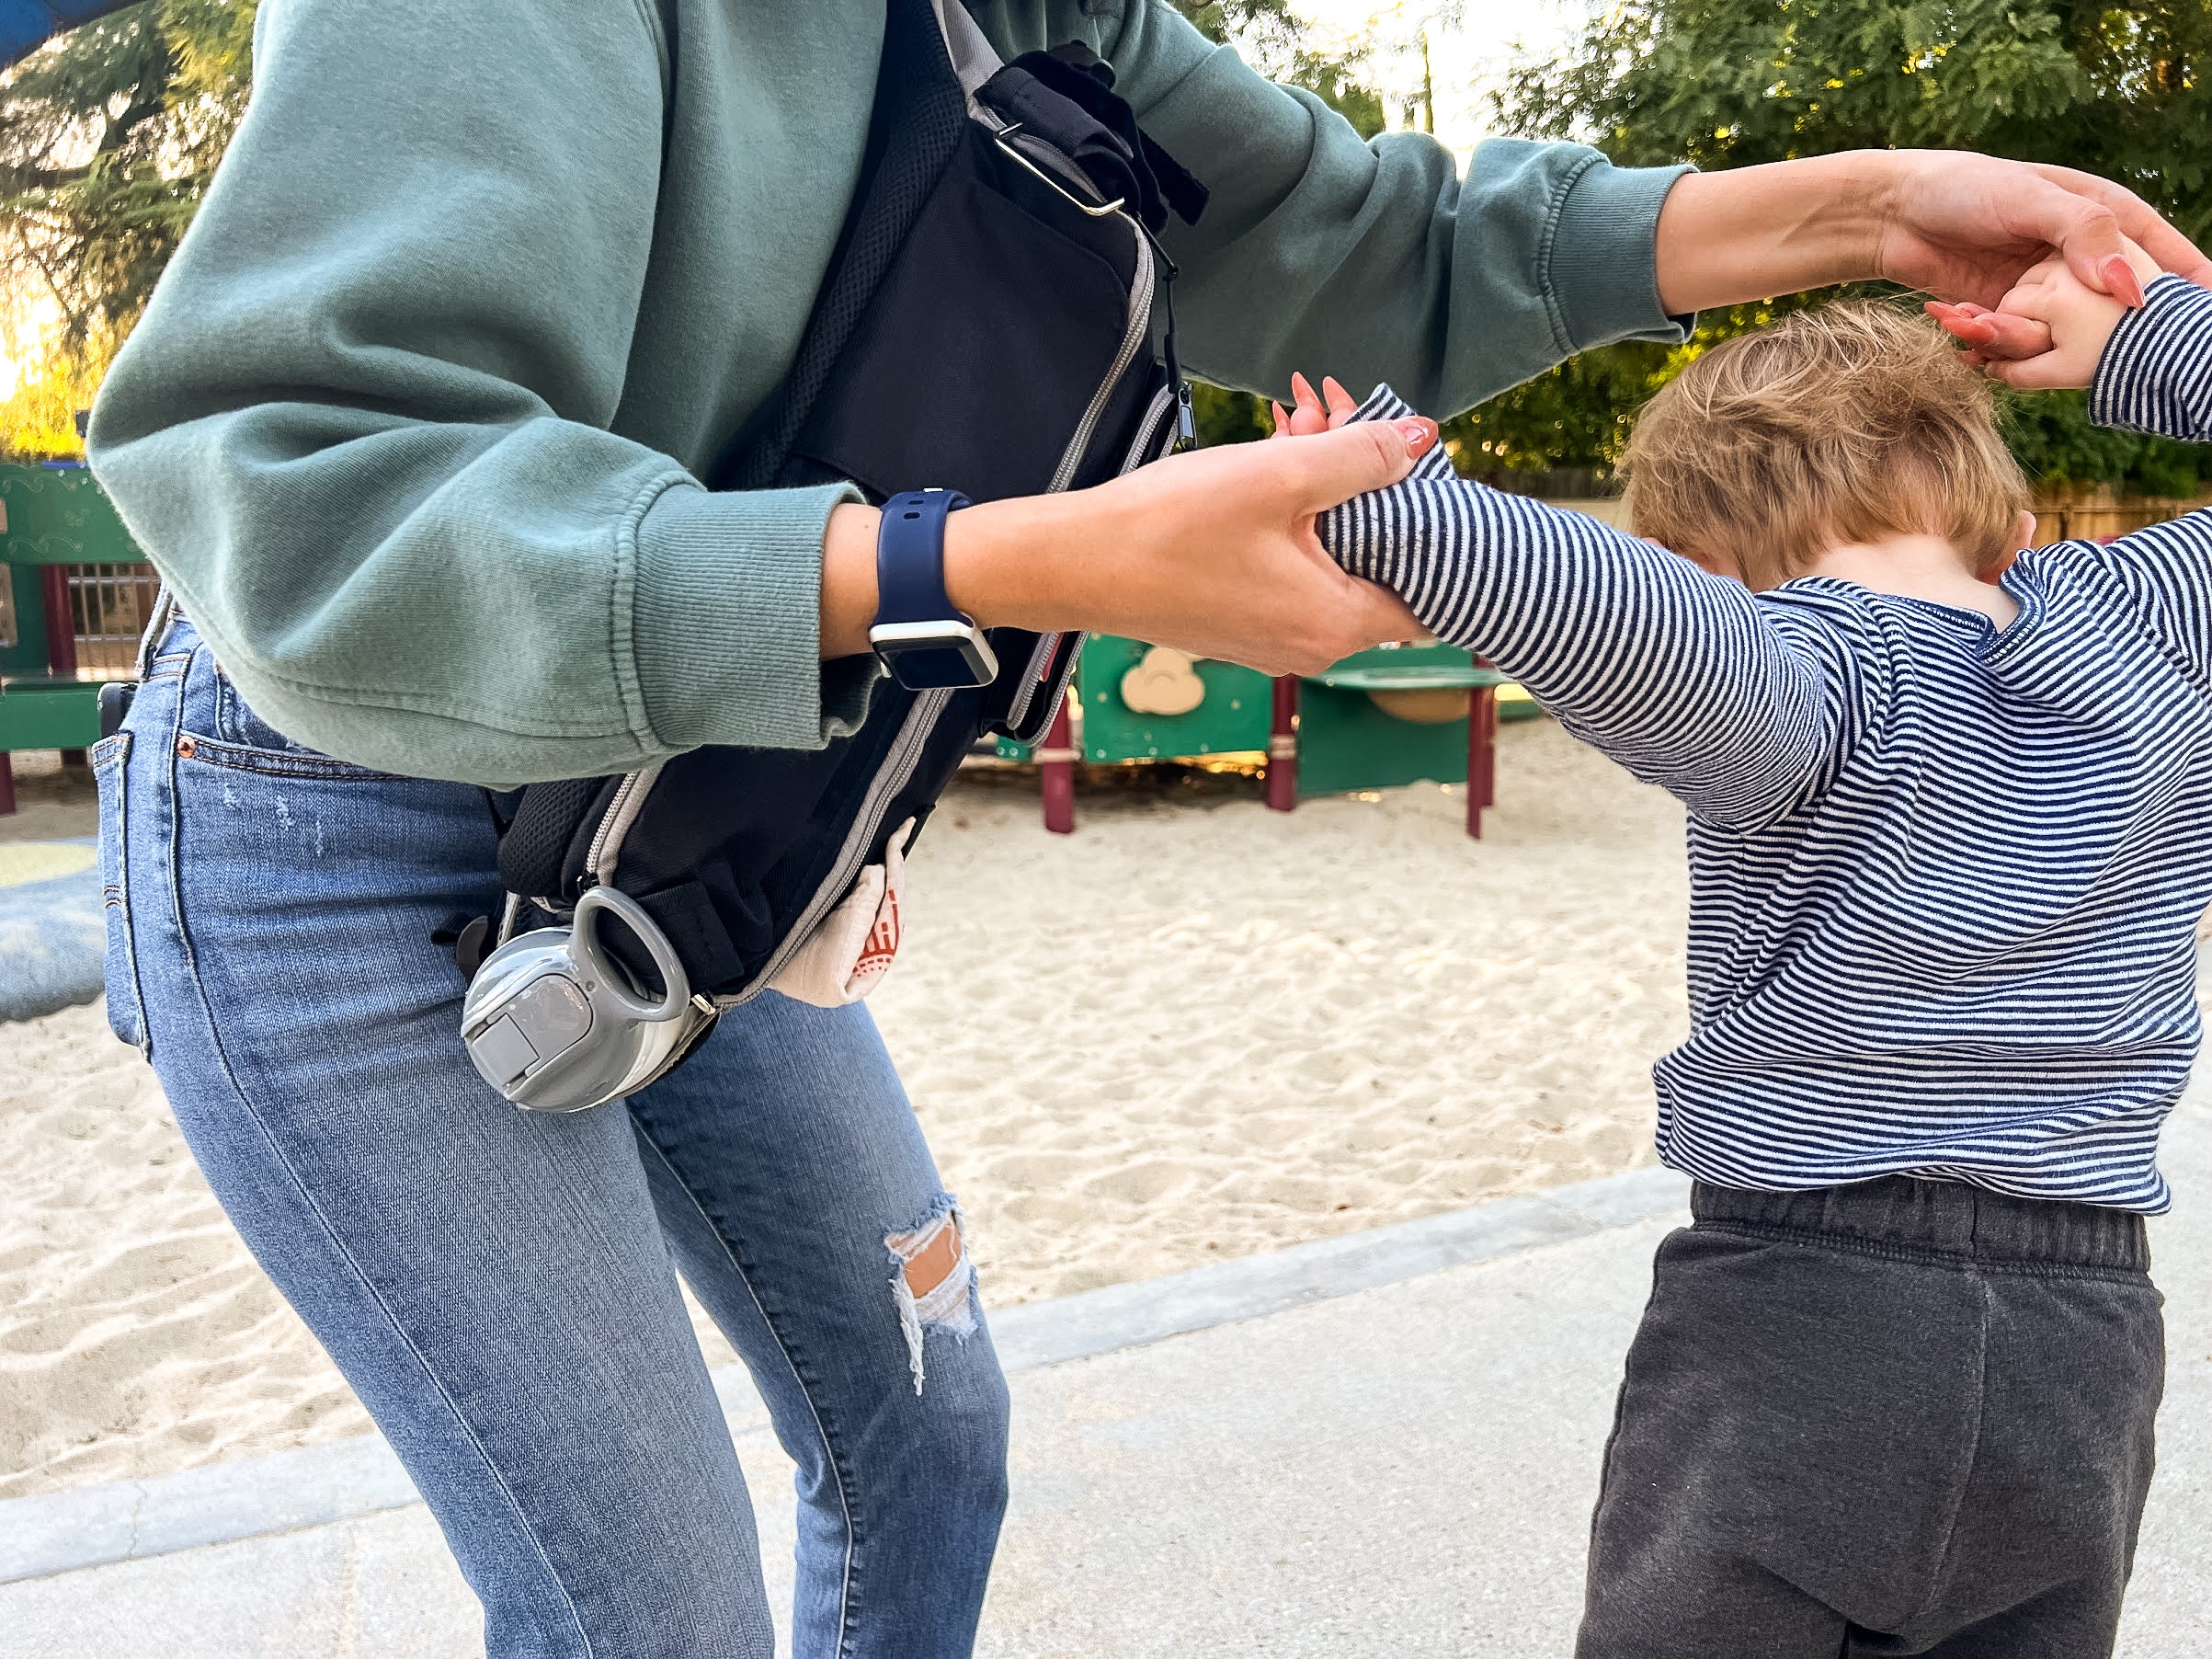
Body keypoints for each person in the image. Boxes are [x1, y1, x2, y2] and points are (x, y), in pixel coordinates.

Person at [80, 0, 2211, 1653]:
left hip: (707, 816)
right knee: (653, 1607)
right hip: (346, 789)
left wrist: (1863, 208)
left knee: (925, 1435)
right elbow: (304, 481)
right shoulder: (2121, 641)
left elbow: (1376, 242)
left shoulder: (1052, 11)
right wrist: (1004, 562)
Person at [1278, 235, 2194, 1654]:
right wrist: (2154, 342)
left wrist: (1385, 494)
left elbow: (1605, 607)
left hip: (1800, 1314)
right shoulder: (2149, 633)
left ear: (1702, 559)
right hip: (2081, 1339)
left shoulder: (1804, 674)